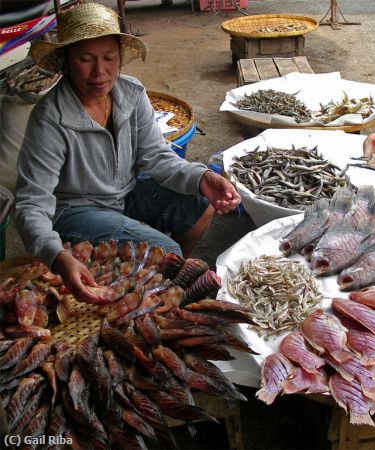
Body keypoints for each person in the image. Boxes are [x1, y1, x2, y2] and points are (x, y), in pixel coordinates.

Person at [13, 2, 241, 303]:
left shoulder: (131, 94)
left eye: (109, 58)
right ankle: (158, 286)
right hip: (74, 214)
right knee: (165, 251)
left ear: (120, 57)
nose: (100, 71)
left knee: (200, 202)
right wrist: (55, 255)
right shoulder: (50, 118)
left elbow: (157, 158)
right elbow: (31, 203)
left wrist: (202, 178)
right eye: (85, 59)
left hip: (124, 195)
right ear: (65, 61)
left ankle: (158, 284)